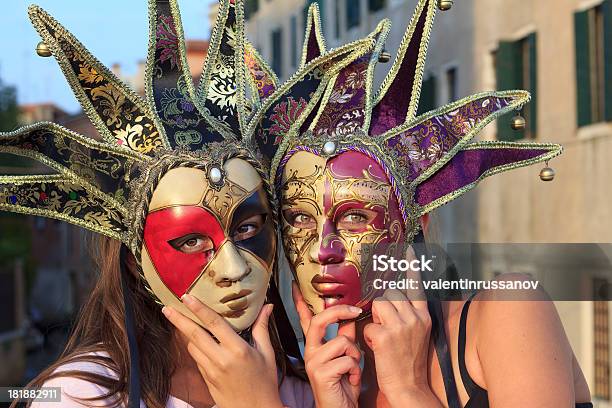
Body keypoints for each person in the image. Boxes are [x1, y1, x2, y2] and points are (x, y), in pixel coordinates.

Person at [250, 0, 593, 406]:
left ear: (418, 225)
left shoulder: (507, 314)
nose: (326, 249)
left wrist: (410, 389)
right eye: (300, 218)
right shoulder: (315, 382)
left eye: (356, 217)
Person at [2, 1, 314, 407]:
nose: (233, 270)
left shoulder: (302, 384)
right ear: (136, 263)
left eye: (247, 228)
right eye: (190, 241)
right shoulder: (84, 397)